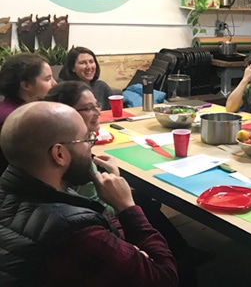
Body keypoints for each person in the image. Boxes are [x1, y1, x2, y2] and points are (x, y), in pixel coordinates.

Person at [43, 81, 208, 286]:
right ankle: (182, 258)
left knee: (145, 203)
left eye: (97, 105)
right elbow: (163, 278)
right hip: (116, 231)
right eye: (88, 108)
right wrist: (126, 206)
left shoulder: (41, 172)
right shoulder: (79, 226)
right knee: (144, 208)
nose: (97, 112)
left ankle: (181, 250)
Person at [0, 101, 177, 286]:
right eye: (86, 139)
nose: (91, 147)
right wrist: (127, 207)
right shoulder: (77, 235)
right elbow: (163, 279)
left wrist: (120, 247)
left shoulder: (25, 190)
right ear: (59, 154)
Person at [0, 53, 57, 172]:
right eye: (47, 79)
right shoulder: (20, 119)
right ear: (26, 85)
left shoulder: (9, 108)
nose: (54, 83)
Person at [59, 46, 113, 110]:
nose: (89, 67)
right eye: (83, 63)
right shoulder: (65, 91)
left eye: (91, 62)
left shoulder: (101, 87)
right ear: (72, 68)